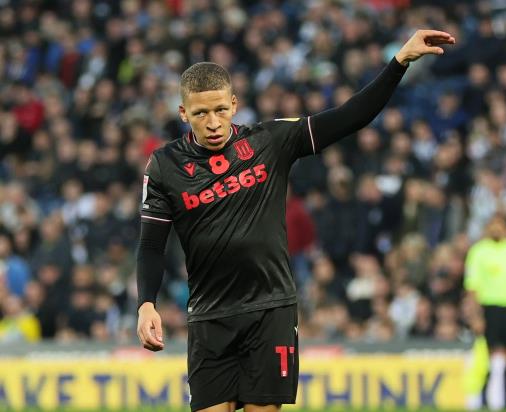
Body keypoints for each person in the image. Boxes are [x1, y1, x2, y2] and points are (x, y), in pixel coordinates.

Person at [136, 30, 455, 412]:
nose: (213, 122)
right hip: (210, 316)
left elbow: (350, 116)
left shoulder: (269, 141)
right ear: (183, 114)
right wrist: (146, 304)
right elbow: (152, 243)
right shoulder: (164, 166)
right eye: (201, 113)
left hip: (270, 310)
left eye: (220, 109)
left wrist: (398, 63)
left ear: (234, 104)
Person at [464, 215, 506, 408]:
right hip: (488, 307)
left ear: (505, 228)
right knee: (487, 354)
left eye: (499, 225)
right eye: (492, 225)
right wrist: (475, 315)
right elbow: (472, 287)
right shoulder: (478, 251)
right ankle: (484, 398)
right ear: (487, 228)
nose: (496, 229)